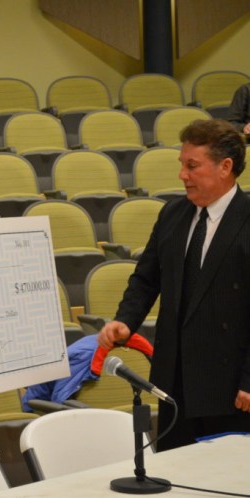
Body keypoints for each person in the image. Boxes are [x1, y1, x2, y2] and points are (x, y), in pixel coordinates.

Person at [98, 119, 250, 451]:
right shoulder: (172, 214)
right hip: (173, 384)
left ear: (225, 167)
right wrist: (125, 321)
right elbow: (146, 278)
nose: (182, 174)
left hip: (232, 390)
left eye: (192, 166)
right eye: (182, 165)